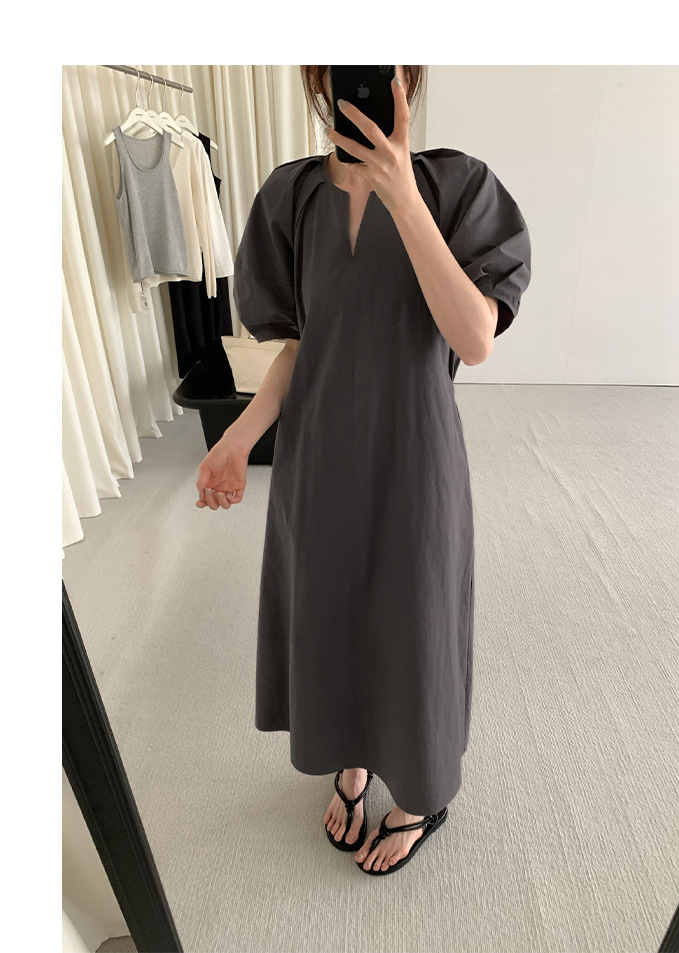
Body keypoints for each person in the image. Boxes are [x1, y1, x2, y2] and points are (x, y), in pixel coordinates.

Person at [195, 65, 531, 875]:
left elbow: (475, 338)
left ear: (407, 75)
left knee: (414, 622)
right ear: (318, 74)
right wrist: (238, 436)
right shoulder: (291, 198)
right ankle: (351, 759)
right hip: (317, 455)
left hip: (415, 453)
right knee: (331, 610)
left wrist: (402, 196)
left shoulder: (459, 188)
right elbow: (300, 346)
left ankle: (419, 794)